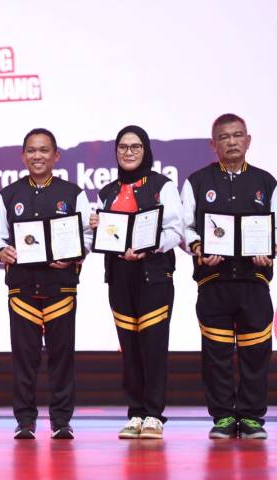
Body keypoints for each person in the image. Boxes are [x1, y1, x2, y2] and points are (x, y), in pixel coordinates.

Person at [0, 128, 92, 440]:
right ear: (23, 156)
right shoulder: (8, 194)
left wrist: (75, 253)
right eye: (31, 150)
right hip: (22, 289)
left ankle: (61, 421)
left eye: (44, 150)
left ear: (56, 155)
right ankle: (25, 421)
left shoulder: (73, 193)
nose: (37, 156)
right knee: (24, 359)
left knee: (62, 358)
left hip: (61, 287)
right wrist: (1, 251)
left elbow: (87, 235)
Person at [181, 113, 275, 440]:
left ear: (248, 140)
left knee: (255, 353)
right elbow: (185, 227)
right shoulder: (197, 181)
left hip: (254, 282)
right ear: (213, 144)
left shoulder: (266, 182)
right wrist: (197, 248)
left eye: (237, 135)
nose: (231, 142)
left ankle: (251, 417)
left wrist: (270, 250)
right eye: (224, 137)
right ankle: (222, 416)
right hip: (213, 282)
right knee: (216, 354)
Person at [89, 125, 183, 439]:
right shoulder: (107, 193)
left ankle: (154, 415)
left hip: (154, 276)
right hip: (119, 277)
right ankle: (135, 413)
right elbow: (103, 236)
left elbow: (175, 231)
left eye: (135, 146)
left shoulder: (162, 186)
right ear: (116, 152)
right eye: (123, 147)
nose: (128, 152)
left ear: (146, 150)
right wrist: (96, 226)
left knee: (153, 347)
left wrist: (149, 247)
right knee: (129, 349)